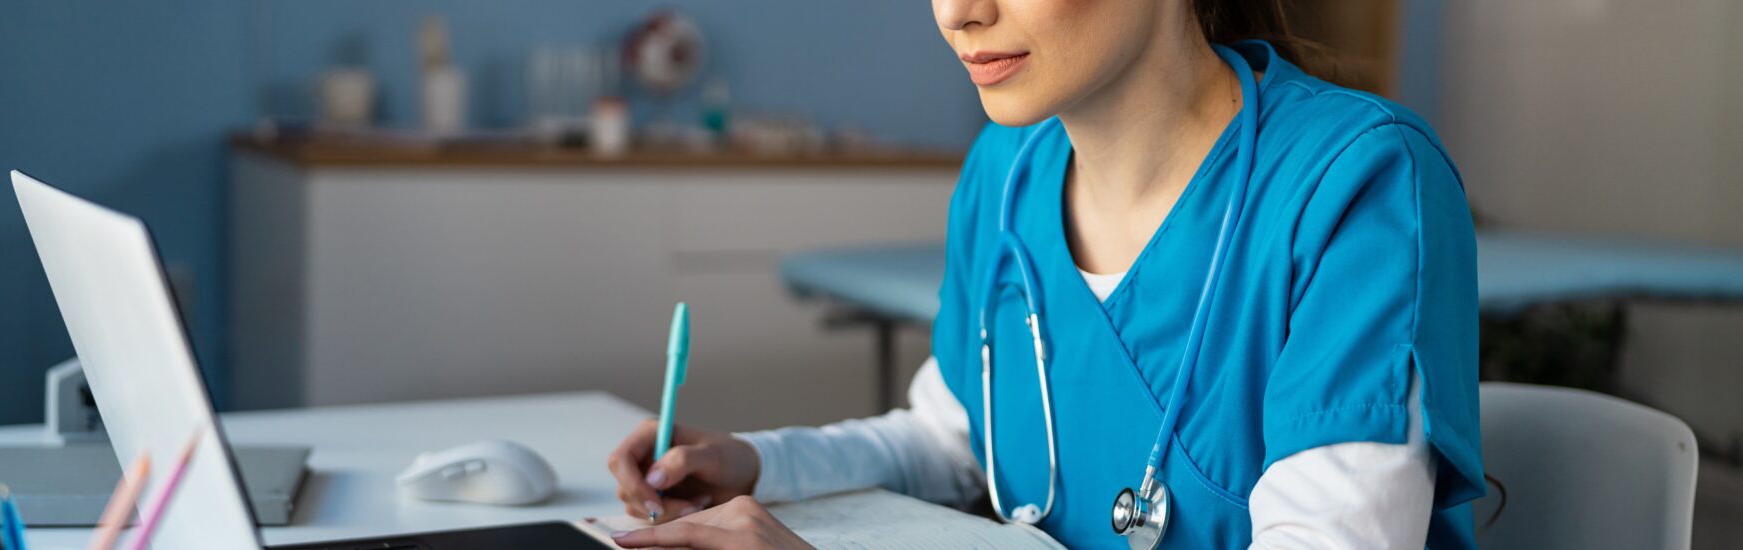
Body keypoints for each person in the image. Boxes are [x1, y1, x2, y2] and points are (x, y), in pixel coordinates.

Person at [607, 0, 1484, 547]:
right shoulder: (1006, 172)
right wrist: (757, 465)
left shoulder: (1355, 185)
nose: (956, 12)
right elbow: (955, 441)